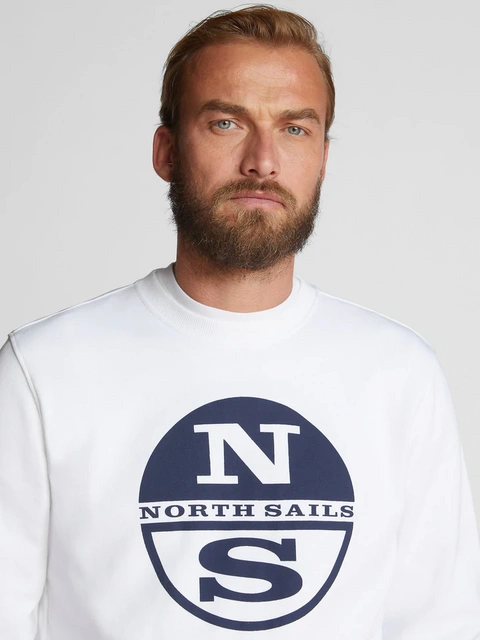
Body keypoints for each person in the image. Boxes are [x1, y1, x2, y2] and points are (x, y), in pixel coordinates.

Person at [1, 5, 479, 639]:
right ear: (166, 151)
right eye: (226, 122)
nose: (263, 160)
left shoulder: (398, 374)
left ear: (323, 158)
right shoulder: (44, 369)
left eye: (295, 128)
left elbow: (440, 624)